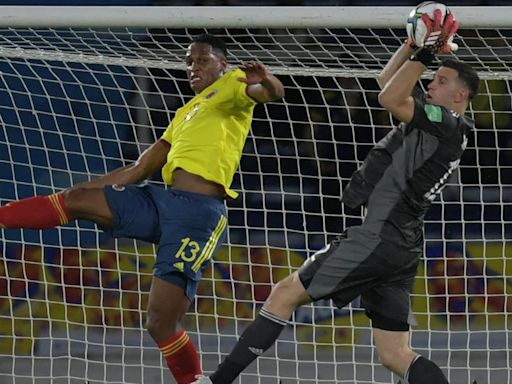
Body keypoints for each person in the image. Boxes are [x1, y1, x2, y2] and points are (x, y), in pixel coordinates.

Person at [193, 8, 480, 384]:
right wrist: (412, 44)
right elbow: (386, 83)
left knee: (284, 294)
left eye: (439, 80)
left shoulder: (444, 123)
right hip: (402, 247)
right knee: (395, 355)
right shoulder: (445, 126)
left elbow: (389, 99)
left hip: (378, 237)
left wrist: (425, 54)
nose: (430, 84)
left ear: (460, 94)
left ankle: (215, 383)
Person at [0, 34, 284, 384]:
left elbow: (269, 94)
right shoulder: (186, 112)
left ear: (222, 63)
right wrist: (78, 191)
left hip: (198, 217)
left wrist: (267, 80)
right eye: (189, 62)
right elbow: (137, 169)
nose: (193, 68)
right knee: (75, 199)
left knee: (159, 323)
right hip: (161, 202)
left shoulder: (232, 85)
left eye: (202, 60)